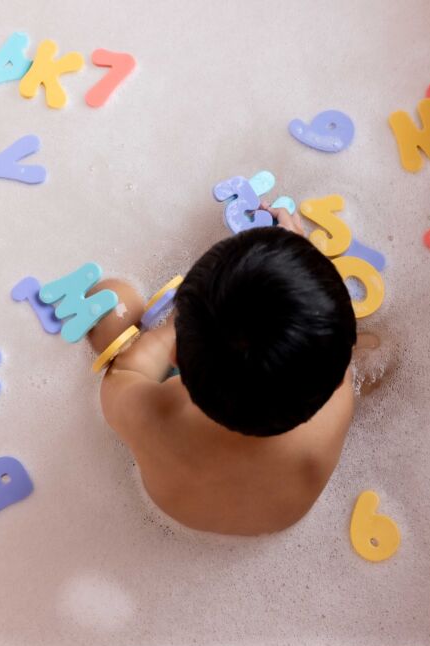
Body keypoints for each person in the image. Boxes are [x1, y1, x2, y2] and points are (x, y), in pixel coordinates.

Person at [87, 204, 357, 535]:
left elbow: (120, 381)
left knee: (113, 302)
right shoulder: (336, 401)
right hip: (275, 518)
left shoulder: (160, 416)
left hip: (181, 509)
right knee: (361, 342)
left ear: (177, 357)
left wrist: (169, 328)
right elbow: (325, 342)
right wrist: (300, 263)